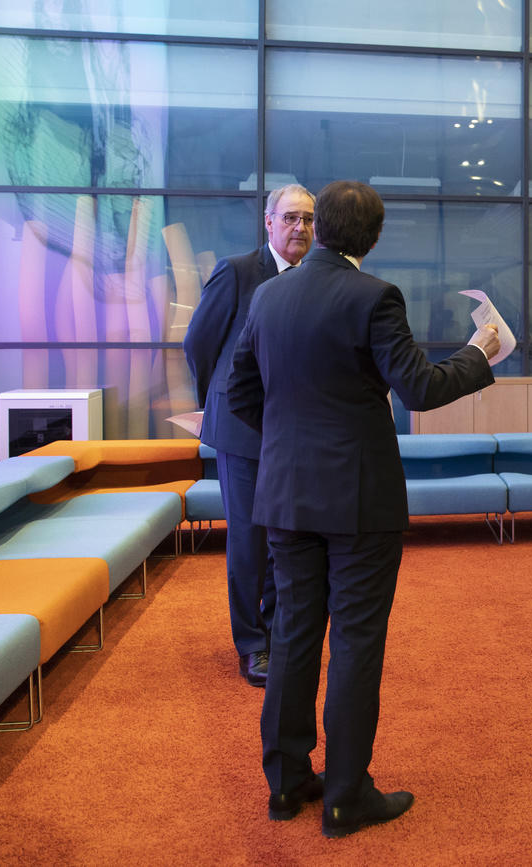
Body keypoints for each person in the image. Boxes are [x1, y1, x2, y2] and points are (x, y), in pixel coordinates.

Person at [227, 180, 500, 838]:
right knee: (354, 640)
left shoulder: (268, 295)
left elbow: (237, 392)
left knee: (292, 635)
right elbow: (420, 387)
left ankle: (287, 783)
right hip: (358, 499)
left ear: (319, 229)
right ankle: (347, 794)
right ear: (373, 237)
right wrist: (479, 352)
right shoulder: (374, 296)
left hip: (286, 495)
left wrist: (291, 444)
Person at [183, 183, 315, 687]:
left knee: (289, 538)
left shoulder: (312, 280)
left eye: (307, 220)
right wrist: (212, 401)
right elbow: (199, 343)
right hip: (242, 433)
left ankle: (282, 636)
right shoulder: (238, 272)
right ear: (268, 222)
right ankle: (253, 645)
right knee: (248, 542)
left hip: (294, 433)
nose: (299, 227)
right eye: (290, 218)